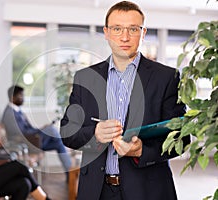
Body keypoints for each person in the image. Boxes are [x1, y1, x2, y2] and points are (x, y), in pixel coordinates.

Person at [60, 1, 190, 200]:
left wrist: (141, 151)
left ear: (143, 32)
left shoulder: (167, 77)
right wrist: (94, 133)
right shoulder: (84, 78)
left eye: (133, 29)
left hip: (148, 190)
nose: (125, 36)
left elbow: (182, 137)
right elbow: (68, 132)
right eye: (117, 28)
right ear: (106, 32)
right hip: (96, 190)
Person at [1, 85, 71, 174]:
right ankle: (70, 172)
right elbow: (20, 134)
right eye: (20, 96)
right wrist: (40, 131)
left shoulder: (18, 111)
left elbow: (29, 128)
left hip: (33, 139)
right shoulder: (10, 113)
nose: (23, 98)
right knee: (52, 130)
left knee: (58, 143)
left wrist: (41, 129)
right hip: (27, 142)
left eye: (23, 95)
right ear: (12, 97)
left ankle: (69, 173)